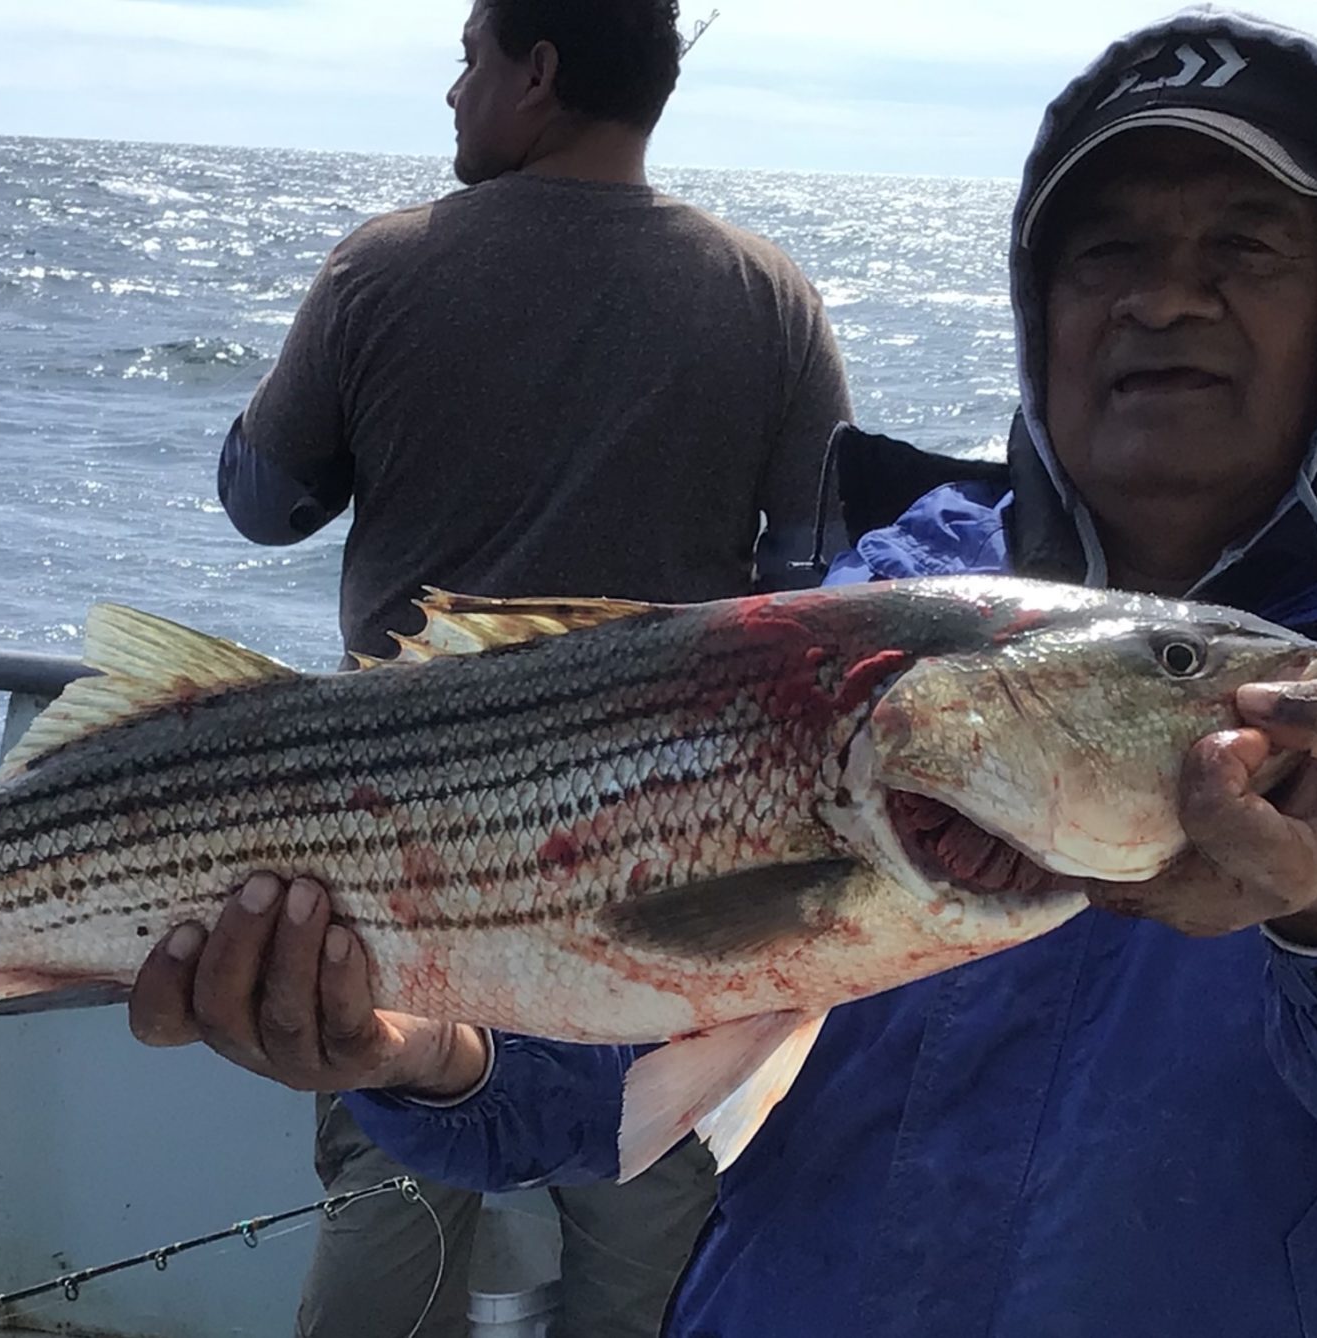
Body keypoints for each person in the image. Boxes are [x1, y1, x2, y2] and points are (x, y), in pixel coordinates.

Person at [140, 9, 1317, 1335]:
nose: (1164, 295)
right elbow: (615, 1055)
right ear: (1037, 309)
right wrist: (427, 1050)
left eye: (1246, 246)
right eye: (1103, 251)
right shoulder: (872, 624)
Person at [211, 1, 855, 1333]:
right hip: (669, 870)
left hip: (404, 849)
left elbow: (260, 501)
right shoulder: (769, 294)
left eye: (470, 61)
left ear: (537, 76)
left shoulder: (383, 268)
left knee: (392, 1204)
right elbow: (814, 588)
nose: (455, 95)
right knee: (646, 1234)